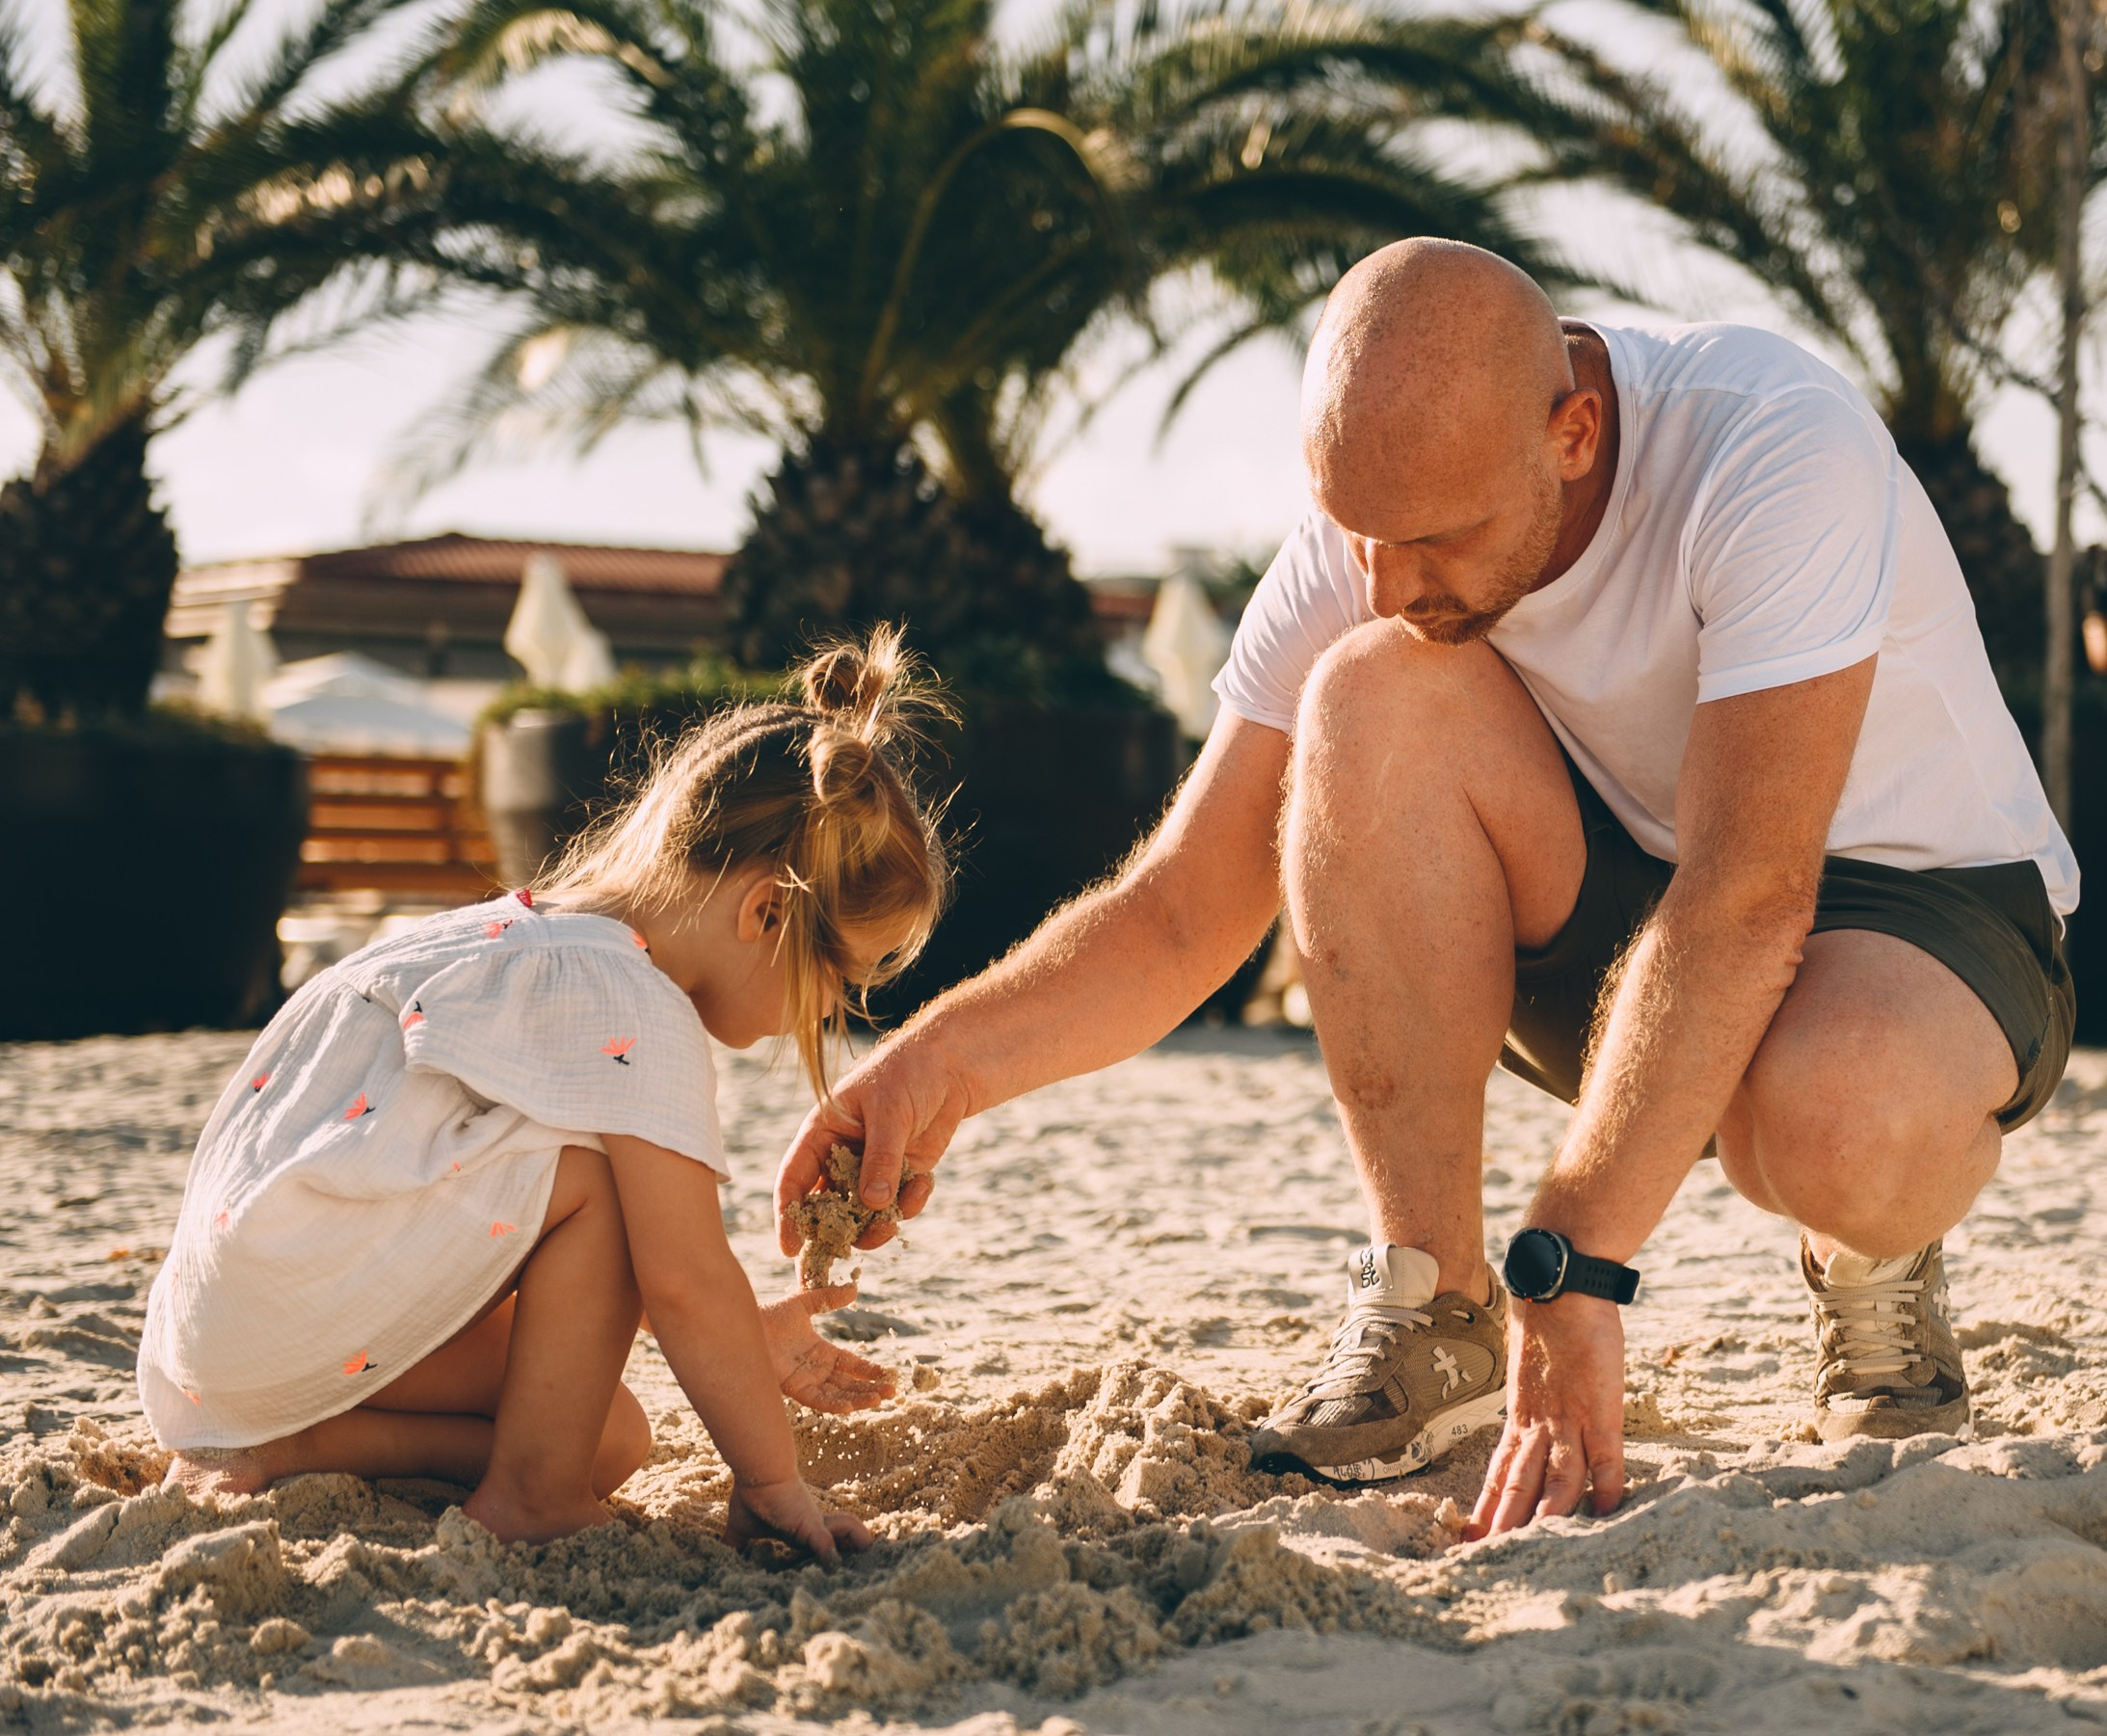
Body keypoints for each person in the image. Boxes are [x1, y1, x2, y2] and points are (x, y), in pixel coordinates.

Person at [774, 240, 2078, 1539]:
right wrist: (931, 1066)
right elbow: (1184, 905)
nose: (1386, 583)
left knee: (1832, 1121)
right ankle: (1432, 1309)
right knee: (1366, 689)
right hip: (1639, 906)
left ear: (1572, 434)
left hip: (1920, 912)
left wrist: (1570, 1267)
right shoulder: (1384, 520)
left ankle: (1873, 1257)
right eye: (1359, 536)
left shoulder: (1771, 448)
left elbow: (1747, 897)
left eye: (1433, 539)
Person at [140, 629, 950, 1555]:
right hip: (299, 1303)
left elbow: (539, 1229)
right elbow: (682, 1277)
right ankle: (533, 1497)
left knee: (610, 1436)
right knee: (598, 1183)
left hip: (231, 1326)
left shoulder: (520, 937)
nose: (841, 1006)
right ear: (767, 910)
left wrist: (746, 1335)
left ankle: (296, 1444)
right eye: (844, 975)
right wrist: (770, 1478)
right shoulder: (637, 1009)